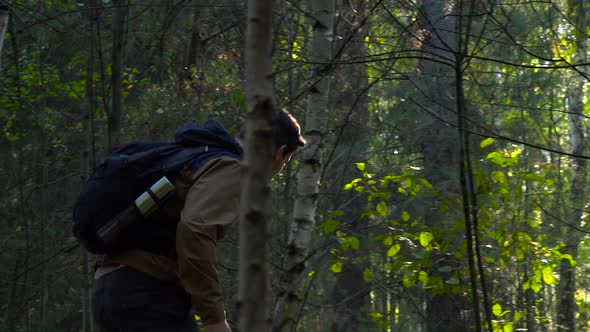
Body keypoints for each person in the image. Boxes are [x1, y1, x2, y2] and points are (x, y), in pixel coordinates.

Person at [91, 108, 305, 332]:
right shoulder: (232, 168)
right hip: (145, 294)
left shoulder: (199, 157)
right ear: (280, 153)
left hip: (112, 290)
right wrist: (214, 319)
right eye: (286, 162)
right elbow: (195, 231)